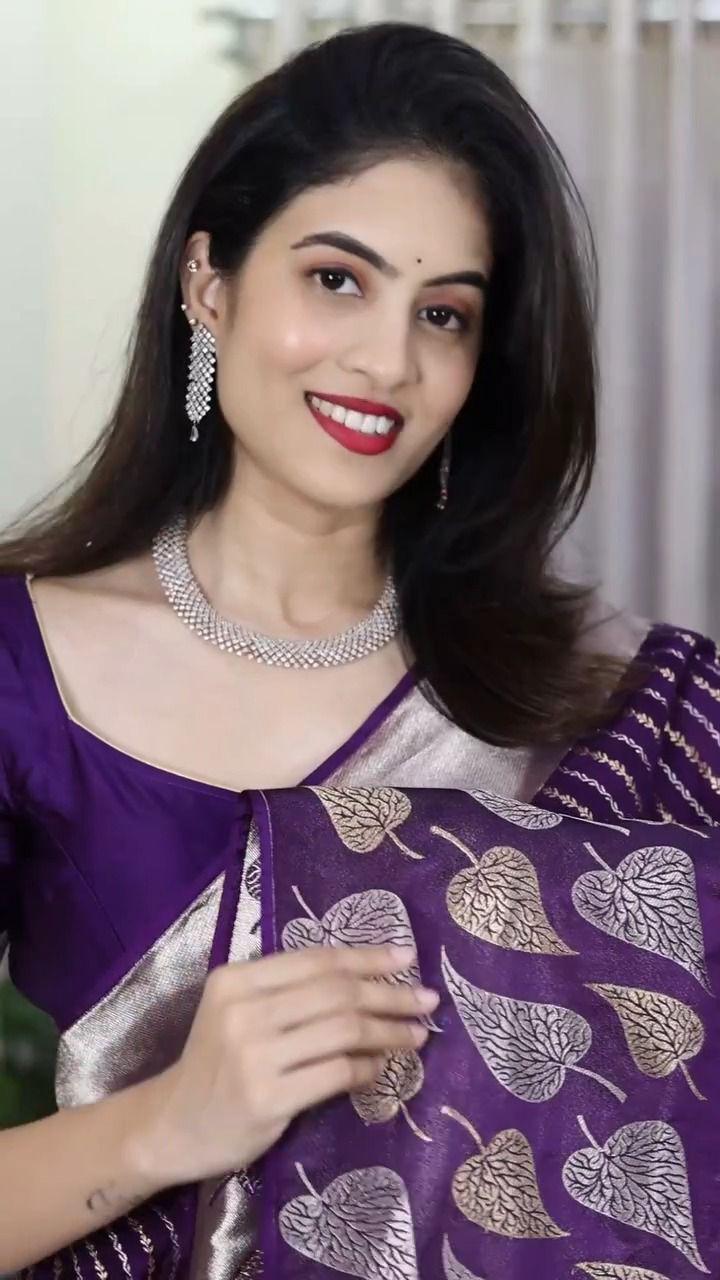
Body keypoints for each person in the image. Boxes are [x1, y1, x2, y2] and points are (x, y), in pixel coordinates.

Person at [0, 20, 717, 1279]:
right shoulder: (24, 668)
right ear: (209, 283)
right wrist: (167, 1122)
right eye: (338, 278)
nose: (388, 359)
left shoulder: (616, 700)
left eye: (443, 313)